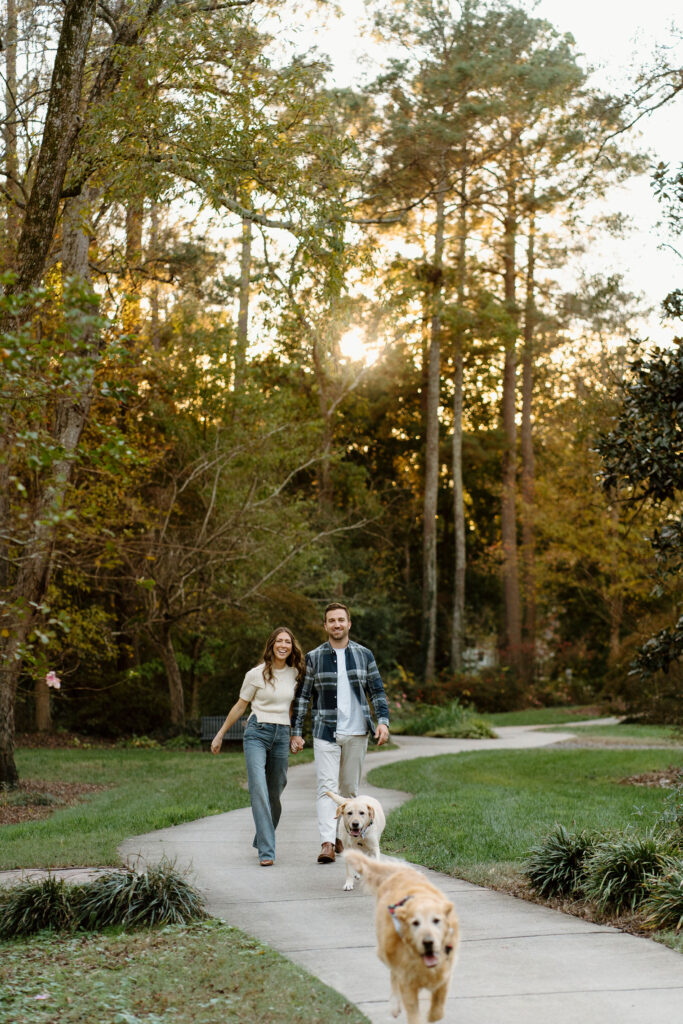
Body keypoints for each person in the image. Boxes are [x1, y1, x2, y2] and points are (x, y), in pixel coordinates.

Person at [290, 602, 390, 863]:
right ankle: (327, 843)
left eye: (341, 620)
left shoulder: (364, 655)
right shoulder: (314, 657)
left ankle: (345, 837)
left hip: (357, 733)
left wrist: (383, 721)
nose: (336, 624)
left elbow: (377, 691)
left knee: (348, 791)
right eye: (331, 620)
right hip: (326, 732)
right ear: (325, 625)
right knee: (326, 788)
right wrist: (297, 731)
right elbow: (303, 697)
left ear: (349, 624)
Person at [211, 626, 305, 866]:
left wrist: (295, 734)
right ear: (271, 645)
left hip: (282, 734)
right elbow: (240, 706)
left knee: (275, 791)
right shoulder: (256, 674)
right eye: (279, 641)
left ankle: (261, 836)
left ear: (292, 647)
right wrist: (220, 734)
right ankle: (267, 851)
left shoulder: (296, 674)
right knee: (259, 790)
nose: (283, 645)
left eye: (288, 642)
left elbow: (293, 708)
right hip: (257, 733)